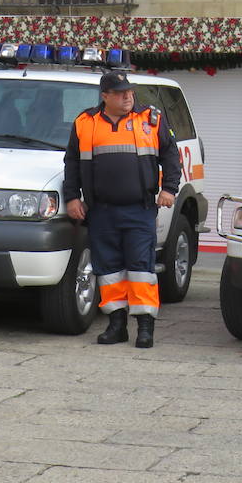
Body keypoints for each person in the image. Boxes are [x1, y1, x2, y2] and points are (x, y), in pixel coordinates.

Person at [63, 71, 181, 349]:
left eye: (129, 91)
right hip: (101, 210)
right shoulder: (85, 122)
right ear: (105, 96)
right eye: (120, 93)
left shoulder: (151, 119)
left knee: (141, 268)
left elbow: (170, 155)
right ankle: (116, 325)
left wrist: (170, 189)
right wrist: (72, 198)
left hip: (139, 209)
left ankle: (145, 327)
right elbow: (71, 163)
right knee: (108, 269)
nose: (127, 96)